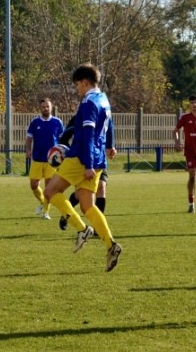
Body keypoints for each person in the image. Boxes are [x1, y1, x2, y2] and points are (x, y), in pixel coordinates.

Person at [43, 64, 123, 272]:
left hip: (81, 157)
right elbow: (110, 124)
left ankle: (82, 229)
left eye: (77, 85)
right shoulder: (103, 99)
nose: (76, 88)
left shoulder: (87, 102)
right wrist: (109, 145)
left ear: (85, 82)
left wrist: (86, 164)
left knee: (50, 191)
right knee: (88, 205)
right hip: (98, 160)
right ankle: (111, 244)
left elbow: (87, 135)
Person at [25, 98, 64, 220]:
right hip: (37, 158)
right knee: (33, 185)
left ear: (51, 107)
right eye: (43, 107)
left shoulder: (57, 122)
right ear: (40, 108)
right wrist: (27, 150)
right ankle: (43, 202)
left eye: (47, 106)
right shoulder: (35, 122)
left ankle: (46, 212)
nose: (45, 109)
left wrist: (63, 153)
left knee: (48, 187)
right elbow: (29, 138)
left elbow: (62, 140)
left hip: (52, 161)